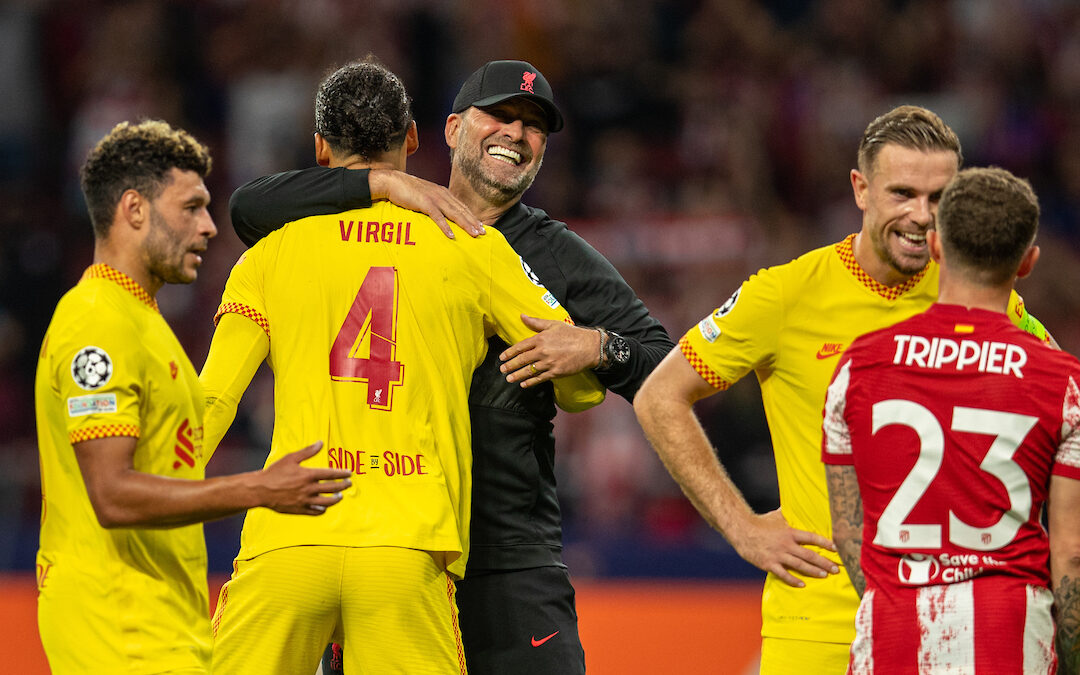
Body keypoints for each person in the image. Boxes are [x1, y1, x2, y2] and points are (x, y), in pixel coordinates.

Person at [227, 59, 674, 675]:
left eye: (534, 126)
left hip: (506, 560)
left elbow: (665, 362)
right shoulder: (415, 225)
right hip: (401, 546)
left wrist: (598, 347)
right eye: (501, 116)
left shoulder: (557, 254)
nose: (516, 134)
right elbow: (250, 205)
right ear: (448, 129)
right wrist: (382, 186)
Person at [632, 106, 1054, 673]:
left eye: (939, 197)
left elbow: (1060, 395)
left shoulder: (980, 294)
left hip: (948, 626)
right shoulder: (784, 296)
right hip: (821, 626)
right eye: (902, 193)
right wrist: (744, 527)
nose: (922, 216)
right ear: (861, 189)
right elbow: (660, 397)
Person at [33, 119, 352, 673]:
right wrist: (259, 487)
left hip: (162, 626)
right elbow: (111, 494)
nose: (209, 227)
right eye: (191, 207)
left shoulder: (146, 325)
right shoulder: (96, 322)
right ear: (134, 210)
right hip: (118, 628)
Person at [822, 166, 1080, 673]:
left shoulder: (858, 367)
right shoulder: (1062, 381)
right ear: (1027, 262)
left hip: (890, 635)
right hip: (1011, 639)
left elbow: (849, 532)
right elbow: (1071, 554)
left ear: (936, 246)